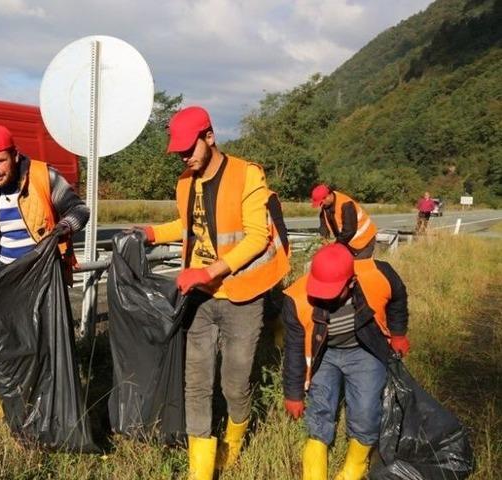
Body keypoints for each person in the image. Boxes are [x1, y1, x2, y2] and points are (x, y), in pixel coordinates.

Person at [139, 106, 290, 479]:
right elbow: (188, 225)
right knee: (197, 381)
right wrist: (152, 233)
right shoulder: (184, 182)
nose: (184, 157)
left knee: (235, 383)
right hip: (201, 297)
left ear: (209, 137)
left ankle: (234, 446)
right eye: (178, 153)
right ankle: (200, 470)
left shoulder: (246, 174)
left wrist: (208, 271)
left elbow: (258, 236)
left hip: (242, 294)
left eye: (189, 149)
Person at [0, 124, 90, 421]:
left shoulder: (44, 176)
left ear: (15, 156)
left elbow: (79, 211)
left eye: (0, 161)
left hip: (42, 276)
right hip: (1, 275)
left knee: (42, 344)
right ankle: (9, 394)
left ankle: (50, 407)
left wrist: (62, 229)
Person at [282, 243, 410, 480]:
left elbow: (398, 296)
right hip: (324, 355)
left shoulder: (378, 276)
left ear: (351, 283)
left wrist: (399, 333)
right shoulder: (296, 299)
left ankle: (356, 466)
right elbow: (294, 350)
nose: (322, 298)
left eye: (331, 293)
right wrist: (293, 394)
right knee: (319, 410)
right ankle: (314, 471)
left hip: (364, 350)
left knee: (366, 410)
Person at [311, 184, 378, 259]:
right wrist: (324, 239)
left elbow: (349, 231)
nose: (321, 205)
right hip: (348, 242)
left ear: (328, 196)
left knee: (358, 267)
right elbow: (323, 225)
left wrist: (335, 246)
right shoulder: (326, 206)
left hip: (364, 240)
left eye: (321, 202)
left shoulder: (346, 204)